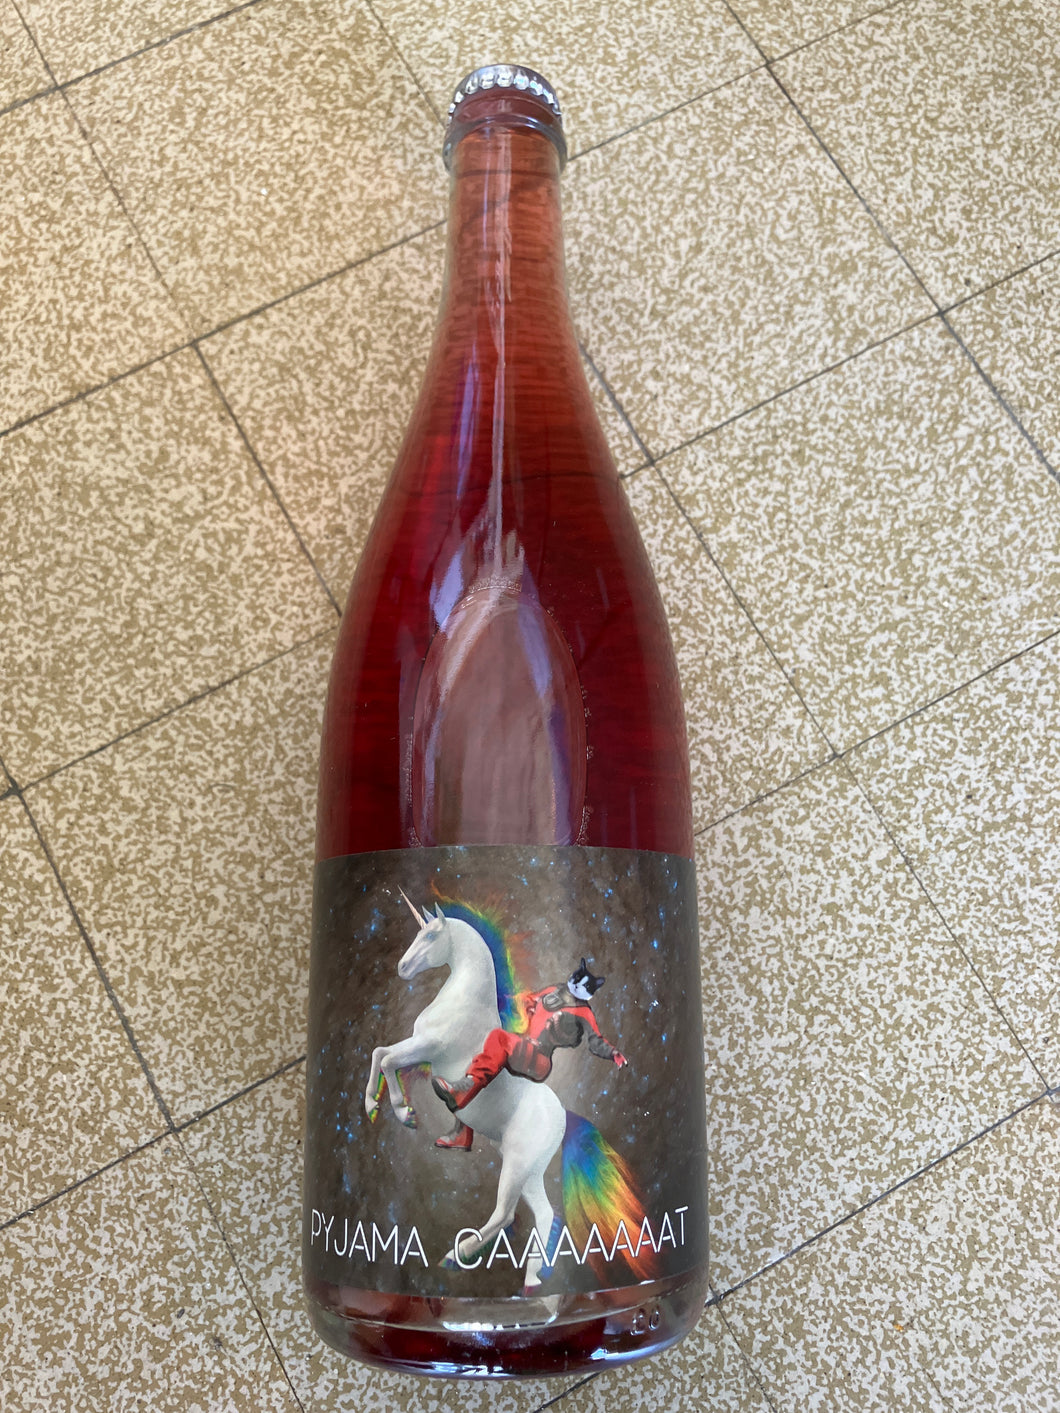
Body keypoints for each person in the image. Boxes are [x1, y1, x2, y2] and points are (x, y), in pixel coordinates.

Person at [432, 958, 627, 1121]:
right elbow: (529, 998)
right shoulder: (554, 989)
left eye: (582, 986)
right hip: (523, 1045)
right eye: (577, 979)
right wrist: (506, 999)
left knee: (499, 1038)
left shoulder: (584, 1012)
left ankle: (461, 1093)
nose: (576, 986)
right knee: (482, 1038)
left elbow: (596, 1040)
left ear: (590, 991)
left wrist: (613, 1053)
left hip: (539, 1058)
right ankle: (463, 1130)